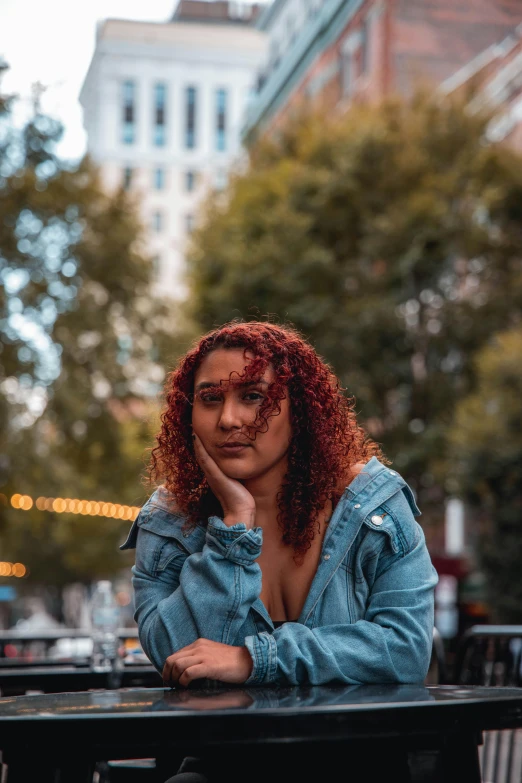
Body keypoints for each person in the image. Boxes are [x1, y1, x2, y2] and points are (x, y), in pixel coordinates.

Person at [120, 319, 439, 783]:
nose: (229, 419)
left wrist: (255, 659)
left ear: (300, 410)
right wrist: (234, 526)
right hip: (222, 765)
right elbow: (175, 655)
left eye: (253, 396)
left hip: (360, 763)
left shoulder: (372, 507)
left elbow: (405, 651)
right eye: (210, 398)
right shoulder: (170, 521)